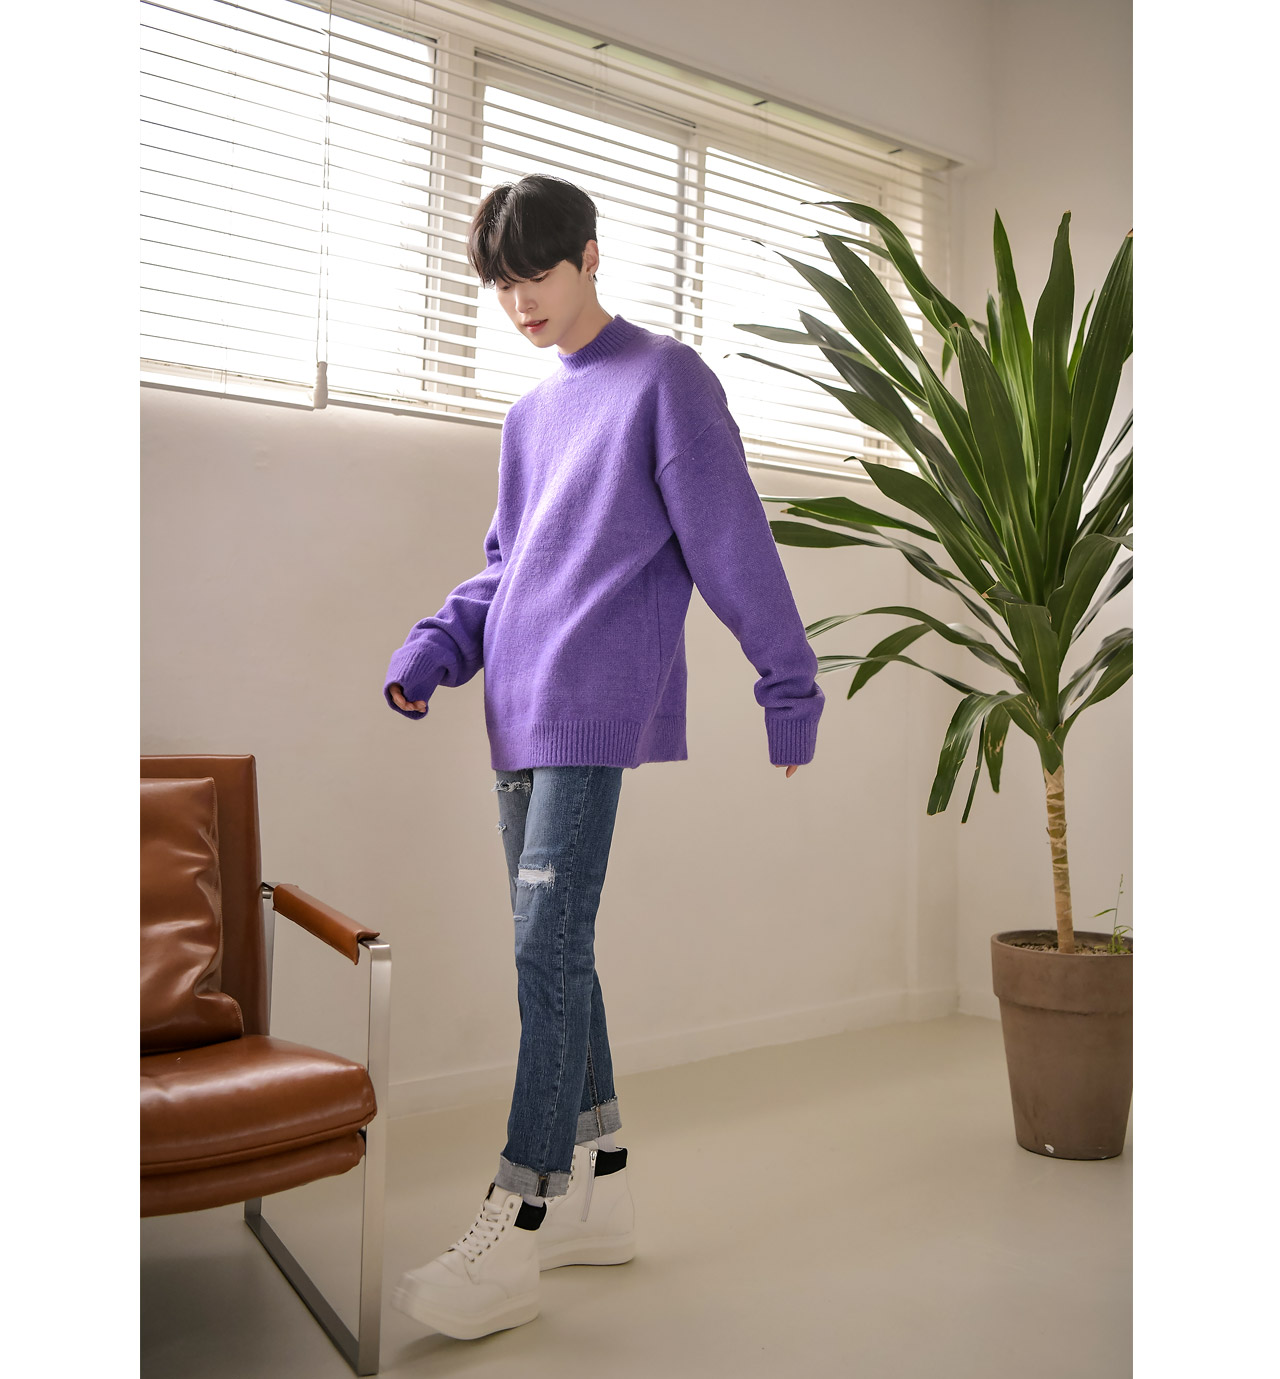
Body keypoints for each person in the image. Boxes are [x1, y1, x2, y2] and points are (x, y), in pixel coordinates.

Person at [382, 173, 825, 1341]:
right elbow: (506, 566)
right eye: (500, 285)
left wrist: (786, 689)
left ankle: (518, 1215)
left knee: (544, 945)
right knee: (557, 950)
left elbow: (731, 540)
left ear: (587, 255)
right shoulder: (530, 417)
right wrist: (436, 648)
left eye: (536, 274)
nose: (520, 302)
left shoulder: (666, 380)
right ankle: (602, 1189)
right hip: (514, 708)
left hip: (591, 710)